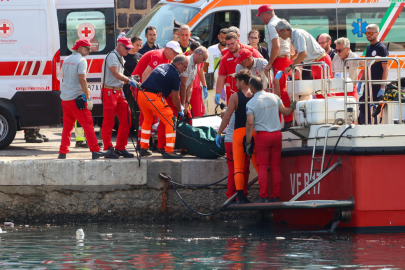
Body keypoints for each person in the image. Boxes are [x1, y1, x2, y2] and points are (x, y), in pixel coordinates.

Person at [58, 39, 111, 159]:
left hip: (65, 99)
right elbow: (82, 80)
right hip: (76, 99)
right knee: (87, 124)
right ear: (80, 48)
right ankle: (95, 150)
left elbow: (62, 77)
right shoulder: (81, 60)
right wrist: (88, 97)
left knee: (67, 127)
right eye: (87, 48)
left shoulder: (66, 60)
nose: (89, 51)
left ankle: (62, 152)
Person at [245, 75, 295, 202]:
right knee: (276, 167)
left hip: (263, 137)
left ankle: (263, 197)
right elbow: (286, 112)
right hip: (277, 135)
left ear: (252, 88)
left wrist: (248, 142)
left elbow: (250, 124)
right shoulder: (274, 97)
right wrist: (293, 106)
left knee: (262, 167)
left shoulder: (251, 103)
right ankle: (276, 196)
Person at [216, 70, 258, 203]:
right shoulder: (256, 96)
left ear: (242, 82)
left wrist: (219, 133)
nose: (235, 84)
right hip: (250, 136)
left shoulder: (235, 97)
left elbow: (227, 117)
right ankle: (245, 196)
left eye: (236, 81)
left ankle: (232, 197)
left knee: (234, 169)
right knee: (246, 169)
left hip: (235, 138)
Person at [132, 41, 182, 153]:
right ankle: (143, 144)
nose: (175, 56)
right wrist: (146, 92)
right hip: (141, 87)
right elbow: (145, 74)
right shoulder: (158, 56)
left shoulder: (168, 59)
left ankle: (144, 145)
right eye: (174, 52)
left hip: (146, 89)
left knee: (149, 118)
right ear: (168, 49)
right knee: (149, 117)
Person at [138, 55, 189, 159]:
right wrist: (180, 110)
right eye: (185, 66)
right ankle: (169, 151)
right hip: (154, 97)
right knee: (170, 120)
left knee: (147, 120)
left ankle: (143, 148)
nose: (185, 69)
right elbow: (175, 98)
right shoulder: (175, 76)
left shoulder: (162, 66)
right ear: (179, 64)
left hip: (142, 94)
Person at [101, 37, 139, 159]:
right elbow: (115, 73)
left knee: (127, 118)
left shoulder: (120, 57)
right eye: (127, 47)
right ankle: (108, 148)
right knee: (109, 121)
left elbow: (118, 75)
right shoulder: (112, 56)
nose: (128, 50)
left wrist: (130, 79)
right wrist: (129, 80)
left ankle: (120, 147)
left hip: (117, 91)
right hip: (109, 91)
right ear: (119, 45)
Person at [257, 5, 293, 127]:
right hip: (285, 59)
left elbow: (276, 46)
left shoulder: (272, 25)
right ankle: (285, 119)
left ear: (264, 15)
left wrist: (269, 64)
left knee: (280, 89)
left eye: (261, 17)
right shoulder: (282, 22)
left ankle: (288, 120)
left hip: (280, 61)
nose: (261, 20)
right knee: (282, 89)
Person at [215, 32, 263, 105]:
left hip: (253, 91)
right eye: (228, 44)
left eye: (232, 43)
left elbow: (263, 64)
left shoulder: (250, 50)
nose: (230, 46)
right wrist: (218, 93)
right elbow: (221, 76)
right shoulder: (225, 58)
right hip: (235, 92)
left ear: (237, 41)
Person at [359, 24, 389, 125]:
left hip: (377, 86)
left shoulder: (381, 48)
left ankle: (374, 130)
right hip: (368, 85)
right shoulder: (368, 47)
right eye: (367, 33)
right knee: (363, 107)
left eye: (371, 33)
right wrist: (360, 82)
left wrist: (382, 87)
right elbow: (367, 66)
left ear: (377, 33)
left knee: (374, 110)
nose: (368, 35)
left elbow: (385, 69)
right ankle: (364, 128)